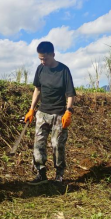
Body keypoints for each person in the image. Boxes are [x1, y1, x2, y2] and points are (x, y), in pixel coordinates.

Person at [25, 41, 76, 185]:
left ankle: (59, 175)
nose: (42, 61)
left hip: (59, 114)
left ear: (53, 54)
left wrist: (68, 112)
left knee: (57, 145)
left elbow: (71, 94)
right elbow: (37, 90)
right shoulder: (40, 69)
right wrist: (31, 109)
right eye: (40, 59)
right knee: (38, 144)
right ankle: (41, 173)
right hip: (42, 113)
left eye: (45, 58)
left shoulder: (64, 70)